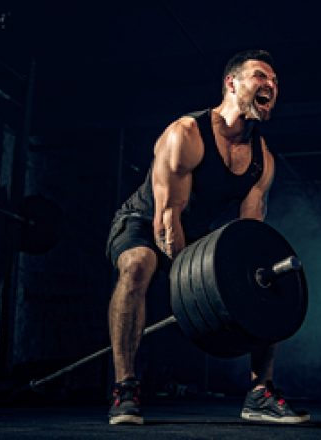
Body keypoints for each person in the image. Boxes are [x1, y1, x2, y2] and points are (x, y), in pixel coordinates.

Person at [104, 50, 308, 424]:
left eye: (276, 82)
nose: (271, 86)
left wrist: (243, 287)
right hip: (144, 219)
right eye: (261, 77)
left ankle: (260, 391)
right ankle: (125, 386)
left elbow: (251, 235)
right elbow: (166, 221)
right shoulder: (186, 134)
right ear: (231, 83)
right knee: (139, 264)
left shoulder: (263, 159)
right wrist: (192, 289)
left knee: (264, 272)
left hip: (196, 232)